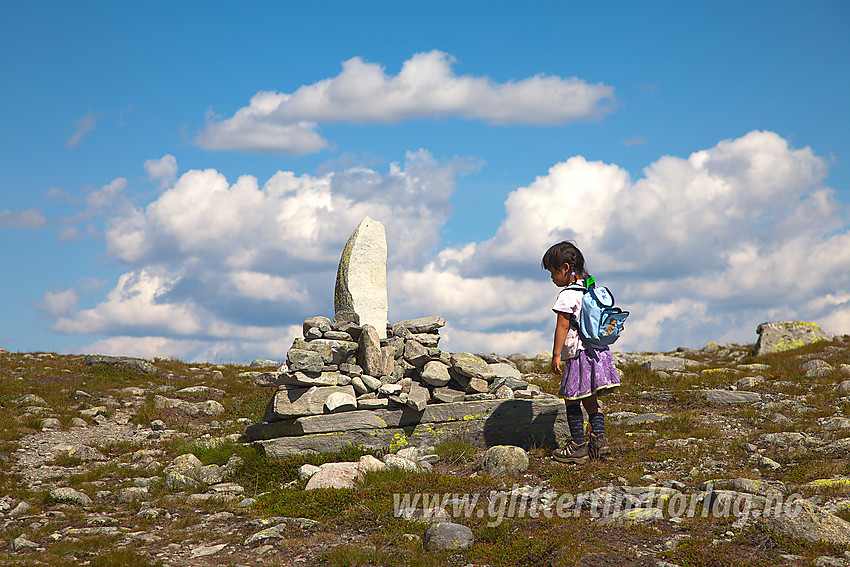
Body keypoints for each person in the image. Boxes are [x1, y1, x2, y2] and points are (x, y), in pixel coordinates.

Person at [542, 241, 620, 464]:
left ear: (565, 268)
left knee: (571, 399)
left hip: (577, 356)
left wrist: (556, 354)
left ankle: (577, 446)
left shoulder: (568, 295)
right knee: (591, 398)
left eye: (553, 272)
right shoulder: (590, 289)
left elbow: (562, 326)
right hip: (597, 353)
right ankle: (600, 441)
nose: (552, 278)